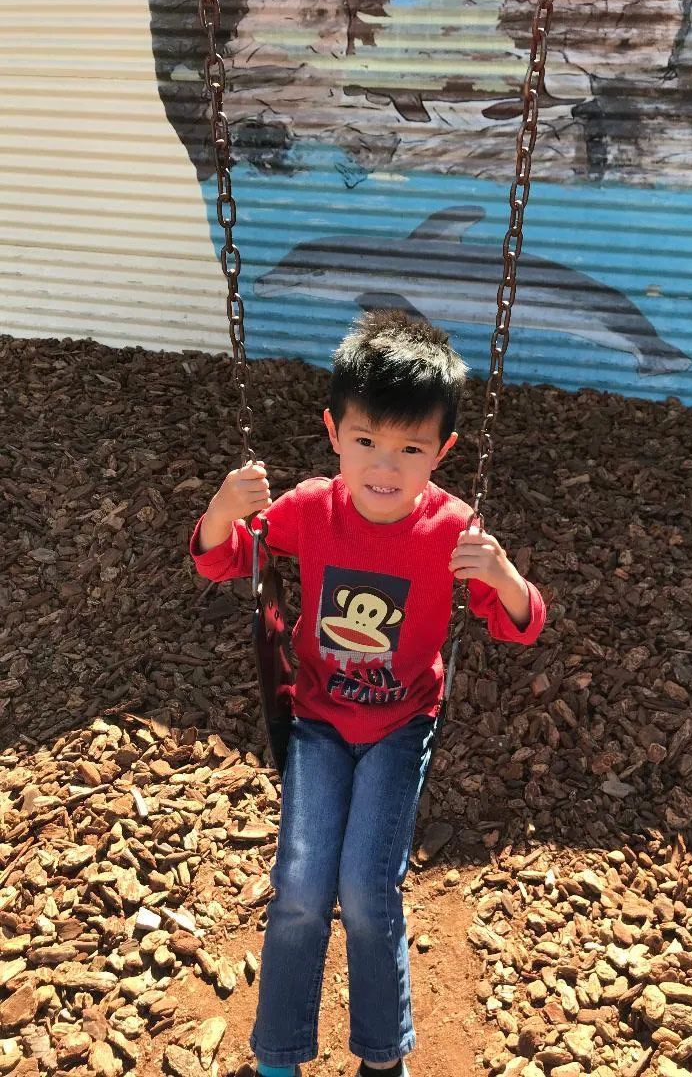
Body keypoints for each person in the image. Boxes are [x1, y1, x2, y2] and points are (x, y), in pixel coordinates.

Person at [189, 310, 546, 1077]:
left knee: (366, 883)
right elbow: (227, 563)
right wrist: (225, 509)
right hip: (318, 719)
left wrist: (503, 576)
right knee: (299, 884)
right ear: (333, 432)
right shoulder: (310, 508)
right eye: (366, 442)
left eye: (411, 449)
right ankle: (280, 1054)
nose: (385, 466)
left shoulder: (455, 529)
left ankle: (383, 1057)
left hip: (399, 725)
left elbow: (518, 624)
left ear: (443, 450)